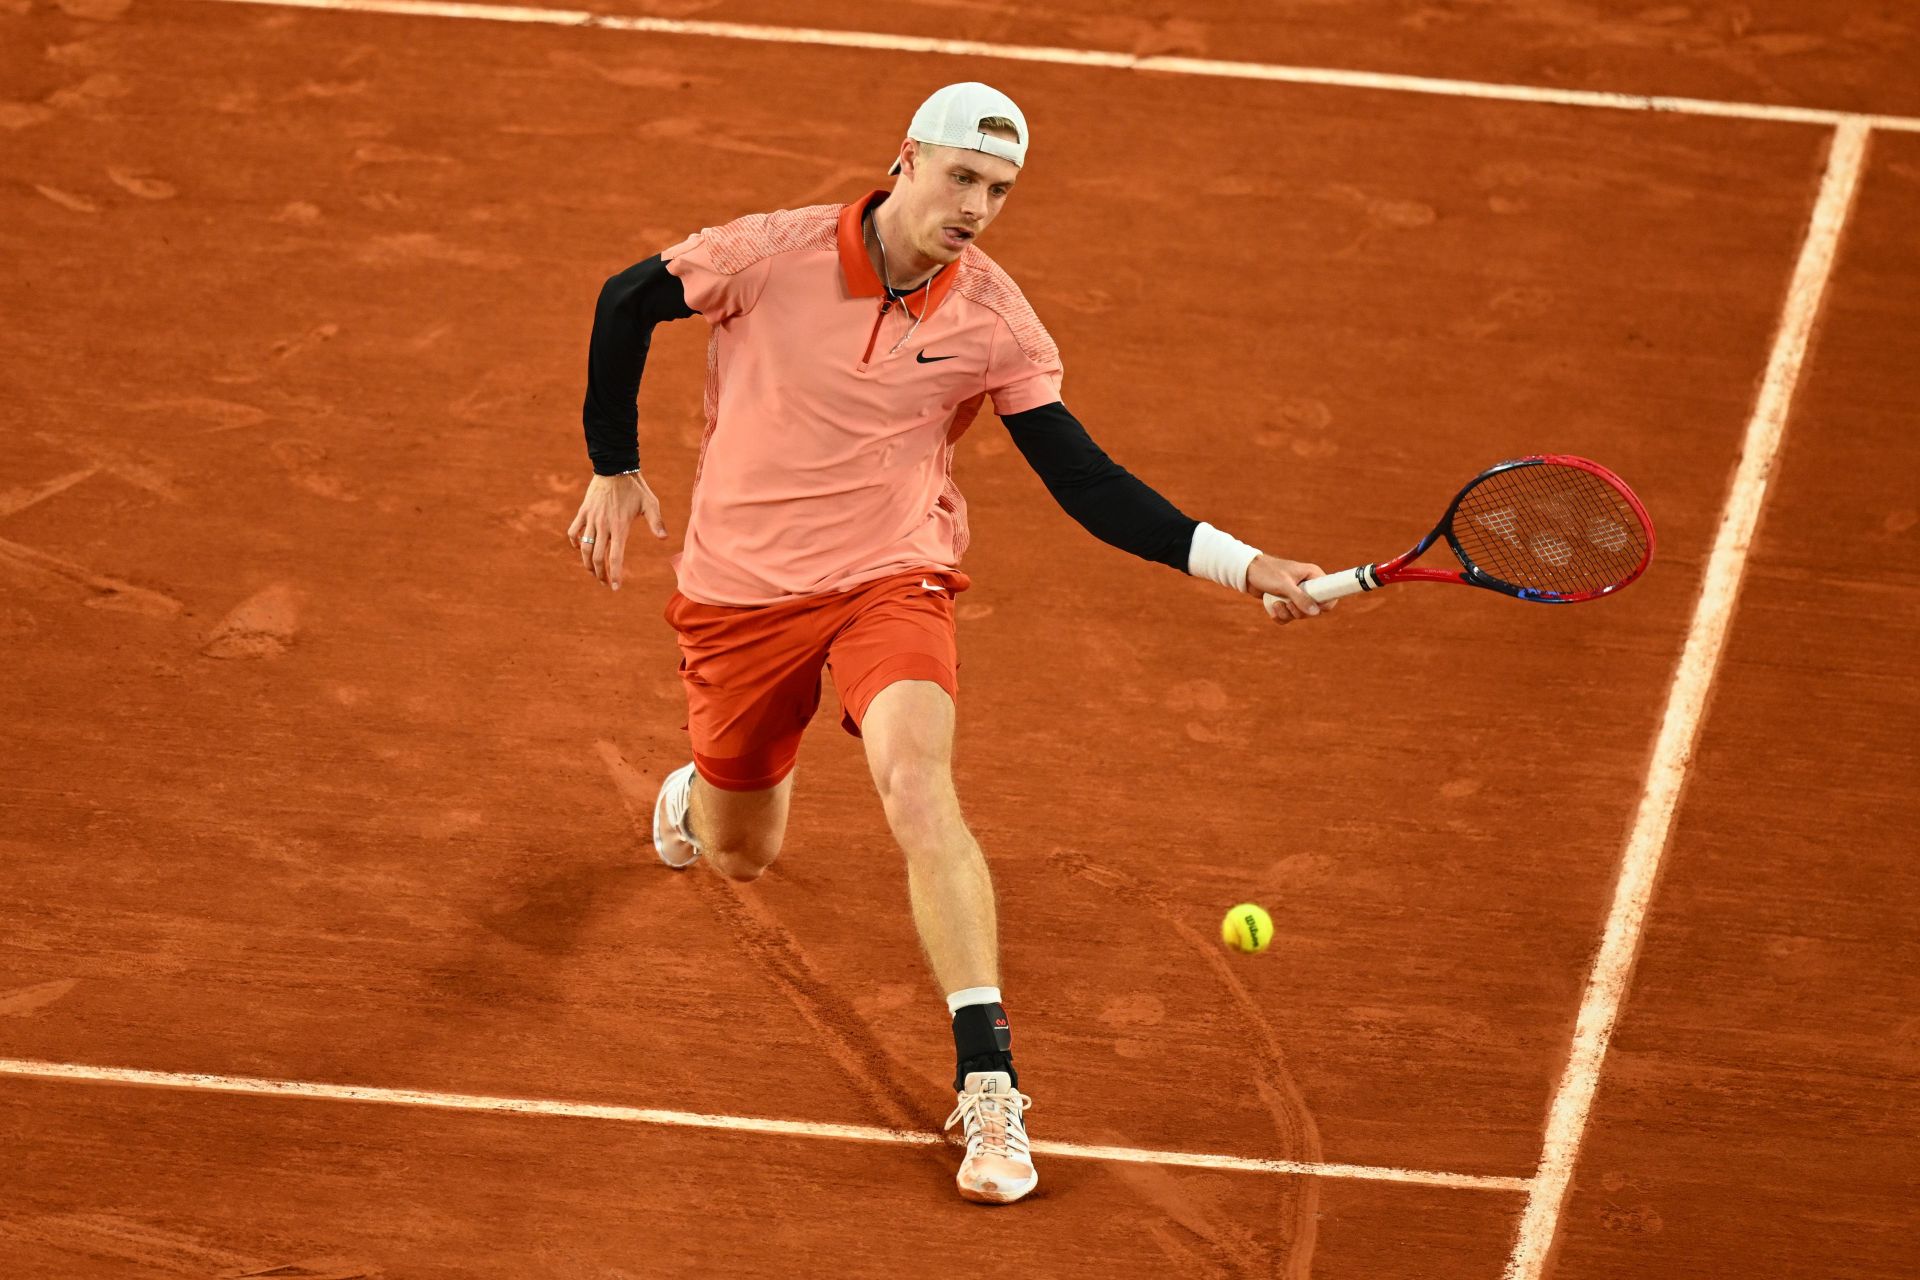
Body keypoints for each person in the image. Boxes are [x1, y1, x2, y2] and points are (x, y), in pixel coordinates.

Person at [568, 82, 1331, 1205]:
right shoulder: (769, 254)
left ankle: (990, 1085)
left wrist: (1242, 560)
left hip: (892, 576)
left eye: (1001, 191)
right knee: (742, 852)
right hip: (740, 594)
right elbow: (626, 298)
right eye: (963, 178)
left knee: (919, 785)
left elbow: (1085, 480)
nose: (978, 206)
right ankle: (697, 799)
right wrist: (610, 455)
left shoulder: (995, 324)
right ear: (905, 162)